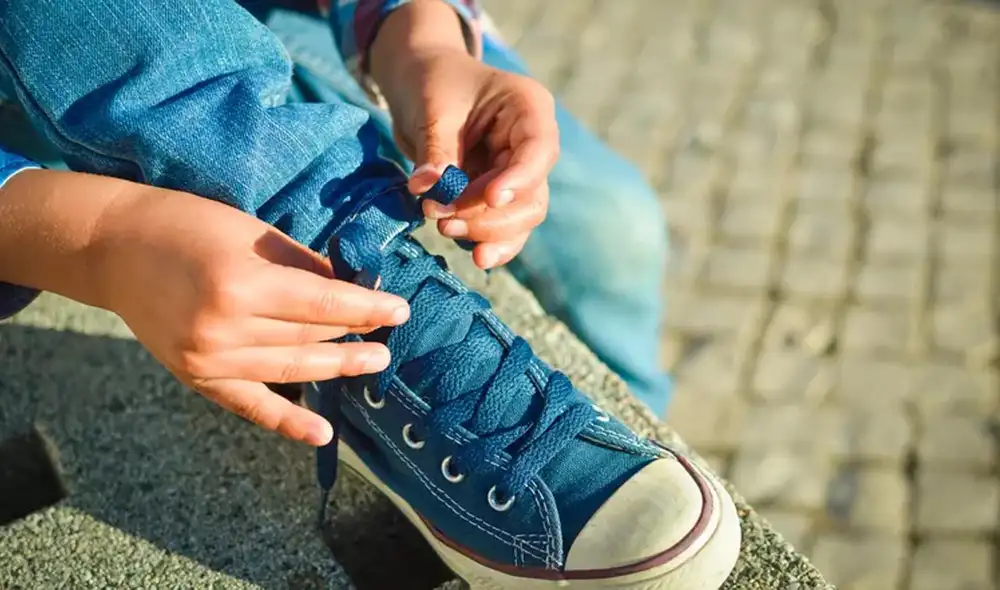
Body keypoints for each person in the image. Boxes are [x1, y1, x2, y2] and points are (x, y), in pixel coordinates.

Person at [0, 1, 739, 587]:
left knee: (612, 226)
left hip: (265, 23)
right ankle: (332, 271)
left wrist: (416, 32)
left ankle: (582, 420)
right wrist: (97, 241)